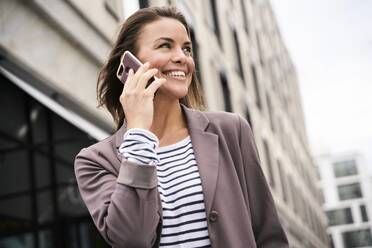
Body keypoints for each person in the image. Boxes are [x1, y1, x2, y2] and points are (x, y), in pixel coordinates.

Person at [74, 6, 289, 248]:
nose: (182, 57)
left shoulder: (231, 130)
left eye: (186, 48)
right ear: (131, 63)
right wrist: (138, 135)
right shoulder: (95, 161)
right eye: (165, 45)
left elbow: (268, 234)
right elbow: (132, 238)